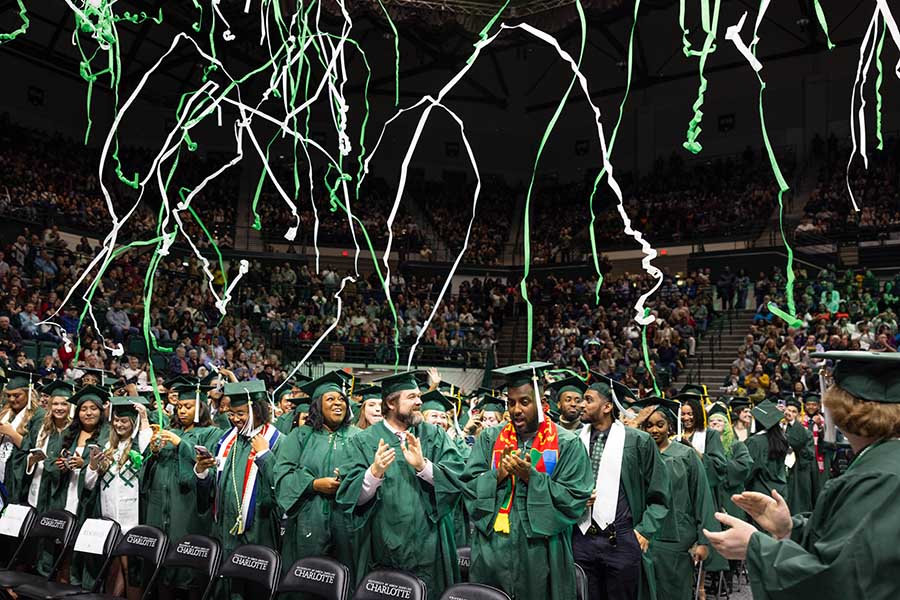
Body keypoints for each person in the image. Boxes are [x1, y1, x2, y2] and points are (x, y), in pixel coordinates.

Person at [705, 351, 900, 600]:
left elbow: (840, 581)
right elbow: (855, 538)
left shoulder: (878, 477)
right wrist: (790, 529)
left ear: (846, 411)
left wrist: (756, 546)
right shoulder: (883, 461)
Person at [460, 363, 592, 600]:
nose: (516, 410)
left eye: (524, 402)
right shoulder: (491, 438)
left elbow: (575, 498)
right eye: (511, 403)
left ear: (542, 401)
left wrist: (531, 477)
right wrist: (498, 475)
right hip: (492, 547)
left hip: (541, 550)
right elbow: (468, 487)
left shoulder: (567, 443)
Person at [336, 371, 465, 599]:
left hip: (430, 544)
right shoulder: (364, 440)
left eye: (419, 396)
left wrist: (423, 467)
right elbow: (351, 497)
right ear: (391, 403)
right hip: (382, 543)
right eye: (412, 397)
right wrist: (374, 473)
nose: (419, 401)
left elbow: (458, 479)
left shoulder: (433, 435)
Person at [573, 373, 671, 600]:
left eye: (588, 400)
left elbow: (659, 492)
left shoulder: (638, 441)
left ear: (607, 406)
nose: (581, 405)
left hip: (621, 537)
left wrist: (644, 530)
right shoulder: (573, 439)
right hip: (581, 536)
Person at [274, 371, 359, 584]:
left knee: (345, 579)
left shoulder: (359, 436)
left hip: (347, 520)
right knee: (306, 578)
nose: (338, 403)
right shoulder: (300, 436)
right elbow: (283, 474)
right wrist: (313, 484)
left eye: (342, 399)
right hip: (308, 519)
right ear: (317, 405)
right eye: (330, 399)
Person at [143, 382, 222, 600]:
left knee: (187, 565)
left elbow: (208, 466)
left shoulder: (212, 433)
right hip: (160, 507)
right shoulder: (171, 430)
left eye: (188, 406)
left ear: (201, 406)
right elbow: (148, 469)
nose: (182, 411)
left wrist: (181, 444)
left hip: (188, 507)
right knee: (161, 569)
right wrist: (153, 451)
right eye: (179, 407)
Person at [637, 397, 719, 600]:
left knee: (674, 591)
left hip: (678, 537)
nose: (654, 430)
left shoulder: (686, 456)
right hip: (643, 535)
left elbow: (702, 497)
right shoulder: (638, 455)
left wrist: (704, 541)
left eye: (660, 425)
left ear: (670, 427)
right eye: (649, 426)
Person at [195, 381, 282, 561]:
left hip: (258, 529)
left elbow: (283, 487)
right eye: (231, 413)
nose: (234, 419)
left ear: (257, 412)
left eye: (240, 413)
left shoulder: (278, 442)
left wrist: (265, 455)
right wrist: (202, 471)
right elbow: (217, 487)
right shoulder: (227, 440)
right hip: (223, 528)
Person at [85, 396, 151, 600]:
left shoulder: (139, 446)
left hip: (132, 519)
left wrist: (144, 418)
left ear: (134, 423)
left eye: (125, 420)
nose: (119, 424)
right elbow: (89, 483)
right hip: (109, 517)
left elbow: (147, 438)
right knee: (113, 567)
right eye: (116, 420)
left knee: (131, 569)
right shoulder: (107, 447)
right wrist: (93, 465)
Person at [57, 384, 110, 587]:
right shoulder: (71, 433)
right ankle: (64, 584)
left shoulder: (107, 435)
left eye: (93, 408)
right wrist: (62, 464)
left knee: (84, 547)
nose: (88, 413)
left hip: (90, 499)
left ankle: (83, 586)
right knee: (64, 547)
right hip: (68, 493)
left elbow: (107, 465)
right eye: (83, 408)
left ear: (101, 410)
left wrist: (85, 464)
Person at [20, 380, 73, 576]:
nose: (59, 408)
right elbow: (26, 454)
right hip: (38, 486)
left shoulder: (74, 430)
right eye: (55, 404)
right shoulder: (41, 428)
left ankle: (50, 577)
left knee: (54, 536)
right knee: (35, 537)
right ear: (49, 406)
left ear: (70, 406)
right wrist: (31, 460)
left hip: (61, 490)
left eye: (64, 404)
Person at [0, 371, 46, 504]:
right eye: (9, 396)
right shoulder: (6, 412)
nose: (12, 400)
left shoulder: (39, 416)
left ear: (29, 393)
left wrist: (12, 434)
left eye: (17, 395)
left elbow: (34, 448)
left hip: (19, 475)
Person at [742, 399, 788, 506]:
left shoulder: (755, 441)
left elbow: (750, 469)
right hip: (781, 490)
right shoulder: (782, 439)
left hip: (761, 491)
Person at [783, 398, 816, 514]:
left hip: (798, 471)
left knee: (798, 504)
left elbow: (810, 454)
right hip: (781, 471)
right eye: (788, 410)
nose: (790, 414)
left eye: (794, 412)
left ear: (798, 415)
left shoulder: (805, 433)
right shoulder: (778, 430)